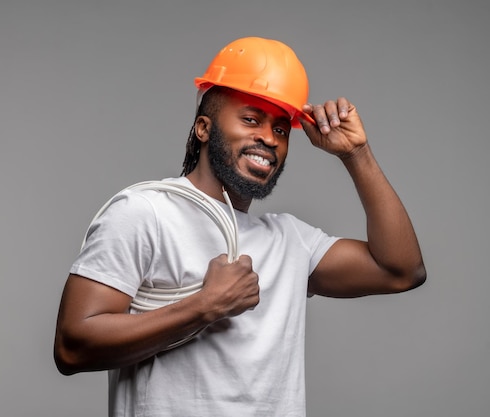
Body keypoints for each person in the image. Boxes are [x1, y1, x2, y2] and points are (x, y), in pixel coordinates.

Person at [53, 37, 426, 417]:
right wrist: (205, 307)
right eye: (251, 119)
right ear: (203, 128)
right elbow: (72, 348)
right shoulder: (145, 212)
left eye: (282, 129)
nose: (269, 137)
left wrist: (355, 154)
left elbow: (399, 270)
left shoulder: (290, 241)